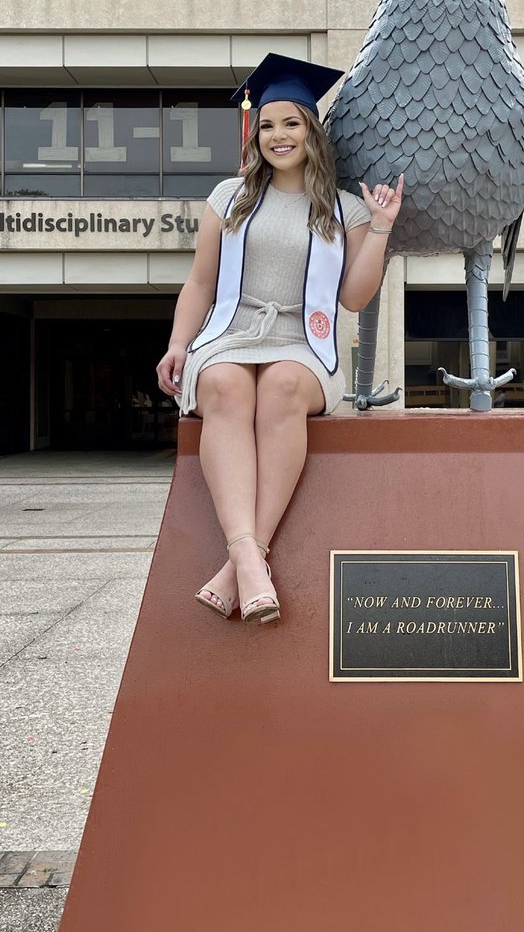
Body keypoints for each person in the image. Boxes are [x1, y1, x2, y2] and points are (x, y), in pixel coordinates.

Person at [155, 54, 404, 626]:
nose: (277, 136)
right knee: (221, 384)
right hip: (232, 334)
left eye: (290, 123)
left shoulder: (346, 210)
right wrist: (177, 344)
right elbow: (200, 282)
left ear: (311, 130)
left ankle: (243, 557)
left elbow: (354, 298)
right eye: (267, 125)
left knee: (283, 388)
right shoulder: (230, 198)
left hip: (302, 342)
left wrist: (382, 228)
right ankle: (249, 559)